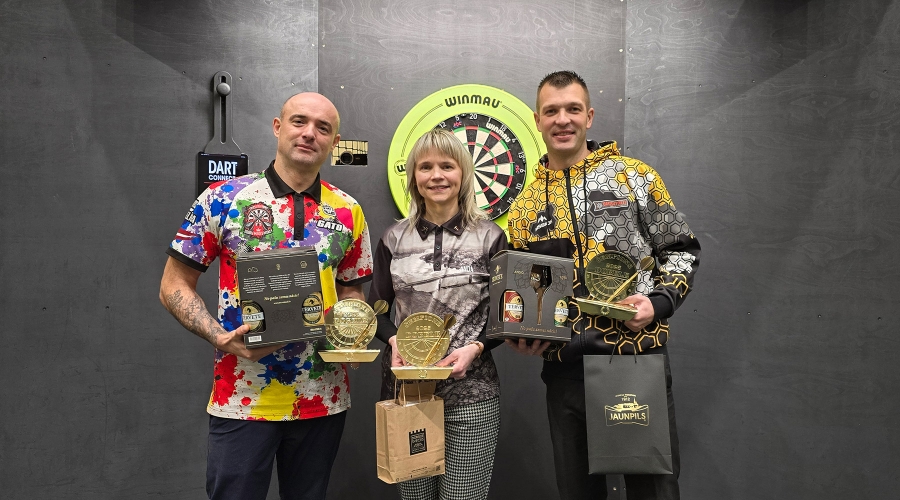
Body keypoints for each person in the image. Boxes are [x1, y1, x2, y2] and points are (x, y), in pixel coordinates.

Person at [159, 92, 373, 500]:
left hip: (322, 396)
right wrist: (219, 337)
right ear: (278, 127)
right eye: (299, 121)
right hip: (242, 396)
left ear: (334, 142)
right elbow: (173, 284)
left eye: (323, 128)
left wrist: (353, 332)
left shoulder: (349, 211)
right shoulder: (223, 198)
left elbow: (351, 289)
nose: (309, 133)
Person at [505, 71, 701, 499]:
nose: (562, 119)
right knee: (577, 493)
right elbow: (522, 292)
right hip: (565, 371)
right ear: (537, 120)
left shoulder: (635, 178)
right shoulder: (524, 207)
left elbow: (681, 250)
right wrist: (521, 333)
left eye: (573, 109)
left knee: (653, 493)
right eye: (551, 111)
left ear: (589, 116)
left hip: (634, 360)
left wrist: (658, 302)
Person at [369, 128, 508, 500]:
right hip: (407, 394)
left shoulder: (491, 237)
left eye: (447, 166)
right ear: (414, 176)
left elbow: (506, 315)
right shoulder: (393, 238)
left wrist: (475, 348)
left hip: (472, 395)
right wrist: (394, 340)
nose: (436, 176)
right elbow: (377, 312)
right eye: (425, 167)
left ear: (463, 173)